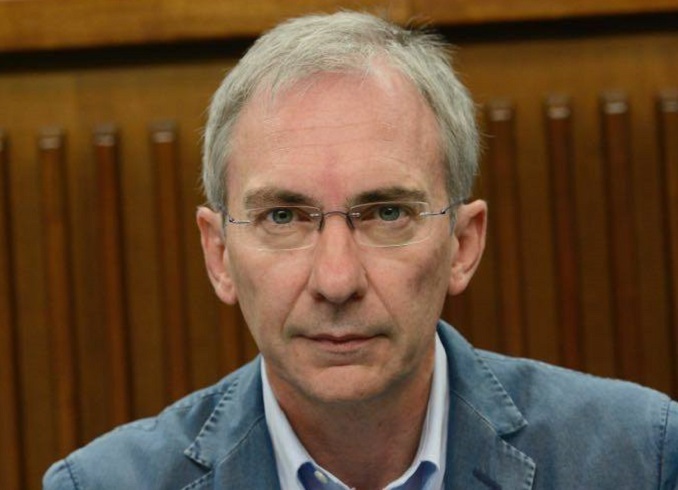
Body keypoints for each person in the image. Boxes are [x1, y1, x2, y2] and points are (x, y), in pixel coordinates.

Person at [44, 11, 677, 490]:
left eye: (387, 213)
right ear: (219, 254)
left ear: (462, 244)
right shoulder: (101, 484)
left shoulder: (639, 459)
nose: (337, 279)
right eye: (284, 217)